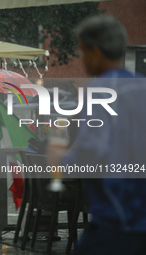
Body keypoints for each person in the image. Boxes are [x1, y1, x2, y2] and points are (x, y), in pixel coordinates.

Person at [47, 16, 146, 255]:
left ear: (95, 51)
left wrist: (58, 161)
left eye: (82, 52)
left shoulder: (101, 91)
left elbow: (91, 154)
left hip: (117, 216)